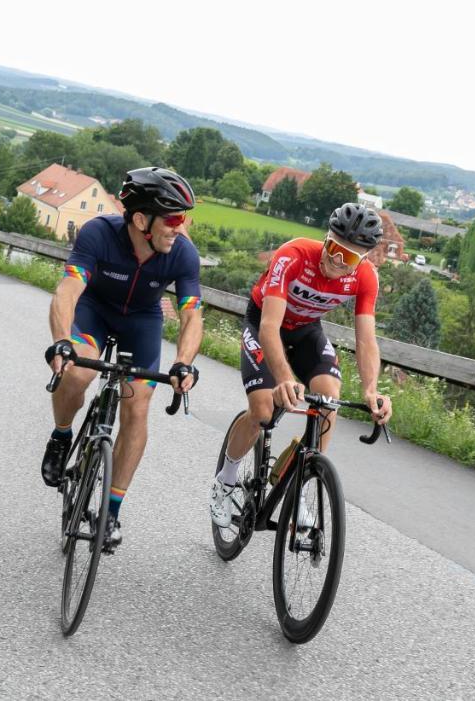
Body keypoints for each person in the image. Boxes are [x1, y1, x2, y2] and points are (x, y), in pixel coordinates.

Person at [42, 167, 204, 551]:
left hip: (142, 321)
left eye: (184, 219)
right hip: (95, 309)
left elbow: (192, 314)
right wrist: (62, 341)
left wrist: (183, 361)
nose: (180, 228)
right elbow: (68, 291)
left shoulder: (183, 253)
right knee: (78, 373)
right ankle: (62, 435)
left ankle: (111, 511)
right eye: (174, 218)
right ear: (140, 219)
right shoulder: (99, 233)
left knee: (138, 405)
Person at [209, 202, 393, 528]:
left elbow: (366, 340)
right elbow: (268, 326)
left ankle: (299, 485)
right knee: (263, 410)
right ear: (325, 239)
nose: (337, 261)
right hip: (265, 322)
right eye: (334, 249)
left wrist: (370, 390)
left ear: (362, 260)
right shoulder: (292, 255)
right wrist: (284, 378)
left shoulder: (366, 278)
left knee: (329, 397)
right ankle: (225, 480)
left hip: (307, 330)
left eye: (348, 257)